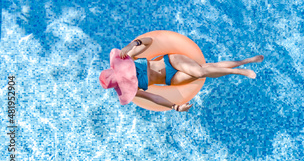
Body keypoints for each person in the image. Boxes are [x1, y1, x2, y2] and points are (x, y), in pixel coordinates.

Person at [100, 37, 263, 112]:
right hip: (171, 79)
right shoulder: (133, 91)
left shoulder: (128, 58)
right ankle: (246, 61)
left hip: (171, 61)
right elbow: (154, 98)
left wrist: (131, 45)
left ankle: (238, 71)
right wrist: (175, 107)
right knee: (206, 69)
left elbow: (149, 41)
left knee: (201, 71)